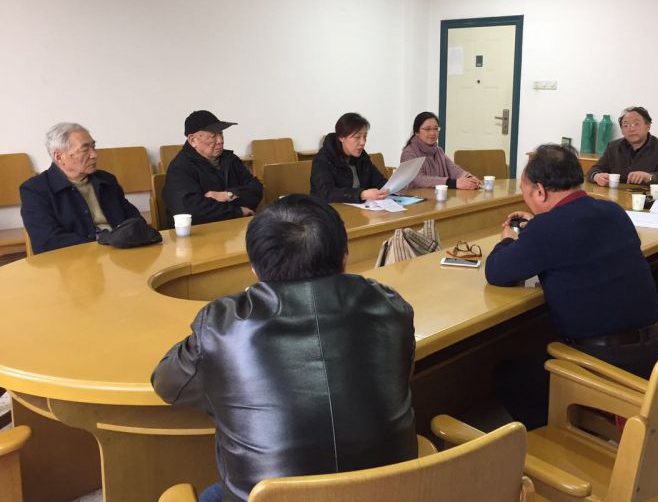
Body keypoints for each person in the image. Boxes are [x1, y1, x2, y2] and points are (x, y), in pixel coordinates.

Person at [151, 195, 417, 502]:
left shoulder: (222, 325)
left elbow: (167, 384)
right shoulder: (390, 306)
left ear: (254, 268)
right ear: (345, 257)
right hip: (392, 492)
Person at [485, 144, 658, 428]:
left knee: (510, 375)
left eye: (526, 192)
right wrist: (539, 228)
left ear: (540, 191)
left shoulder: (547, 229)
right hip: (655, 354)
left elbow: (497, 272)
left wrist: (509, 239)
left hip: (605, 365)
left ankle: (561, 440)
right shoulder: (613, 212)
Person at [20, 122, 142, 254]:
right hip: (74, 259)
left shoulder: (106, 180)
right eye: (85, 150)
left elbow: (134, 220)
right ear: (59, 157)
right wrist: (103, 244)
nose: (94, 155)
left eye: (93, 147)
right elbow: (48, 241)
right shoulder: (35, 190)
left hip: (122, 253)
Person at [163, 110, 263, 226]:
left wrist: (227, 195)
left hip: (235, 228)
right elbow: (192, 212)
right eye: (213, 136)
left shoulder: (230, 159)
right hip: (199, 233)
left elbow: (256, 189)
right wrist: (238, 211)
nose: (220, 141)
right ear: (193, 140)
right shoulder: (180, 168)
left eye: (221, 134)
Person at [587, 106, 658, 188]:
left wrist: (648, 177)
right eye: (626, 125)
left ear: (648, 126)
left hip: (646, 198)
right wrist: (596, 176)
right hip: (616, 196)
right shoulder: (613, 147)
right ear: (622, 130)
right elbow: (593, 170)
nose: (631, 129)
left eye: (636, 124)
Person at [310, 112, 388, 203]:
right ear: (341, 137)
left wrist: (394, 188)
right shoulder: (322, 159)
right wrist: (362, 194)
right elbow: (327, 192)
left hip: (358, 208)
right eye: (357, 137)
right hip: (327, 209)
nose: (363, 142)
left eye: (365, 136)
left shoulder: (362, 156)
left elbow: (379, 181)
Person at [400, 112, 481, 189]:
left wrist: (469, 178)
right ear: (416, 132)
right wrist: (453, 183)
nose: (433, 133)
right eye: (427, 129)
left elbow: (454, 169)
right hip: (416, 197)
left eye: (436, 129)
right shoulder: (409, 153)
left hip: (437, 196)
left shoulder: (438, 151)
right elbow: (417, 179)